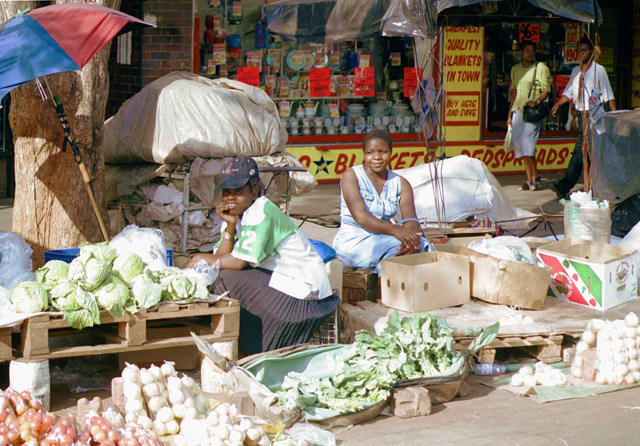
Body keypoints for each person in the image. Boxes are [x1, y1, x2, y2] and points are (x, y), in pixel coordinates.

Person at [187, 156, 340, 355]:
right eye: (227, 193)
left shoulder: (262, 211)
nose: (231, 198)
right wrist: (230, 227)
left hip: (305, 296)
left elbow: (238, 262)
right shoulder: (236, 215)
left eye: (239, 192)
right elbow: (222, 256)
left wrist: (198, 258)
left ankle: (251, 346)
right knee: (218, 273)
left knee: (226, 278)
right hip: (280, 281)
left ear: (254, 191)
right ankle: (233, 342)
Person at [333, 129, 432, 276]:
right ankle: (384, 294)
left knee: (423, 246)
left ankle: (410, 292)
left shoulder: (400, 182)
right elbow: (361, 217)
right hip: (354, 243)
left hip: (384, 239)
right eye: (370, 153)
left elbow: (411, 219)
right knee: (397, 249)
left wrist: (412, 239)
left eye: (382, 152)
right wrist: (397, 231)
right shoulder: (351, 176)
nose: (376, 157)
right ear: (364, 154)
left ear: (391, 152)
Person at [550, 36, 616, 200]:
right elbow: (568, 93)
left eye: (584, 50)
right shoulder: (575, 71)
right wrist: (558, 105)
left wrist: (615, 117)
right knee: (585, 151)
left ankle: (569, 185)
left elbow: (608, 95)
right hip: (582, 116)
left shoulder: (598, 70)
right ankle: (582, 186)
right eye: (579, 50)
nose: (581, 53)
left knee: (590, 151)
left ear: (592, 51)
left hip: (595, 115)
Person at [507, 40, 551, 191]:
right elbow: (513, 93)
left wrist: (536, 102)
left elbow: (546, 90)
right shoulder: (515, 69)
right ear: (521, 53)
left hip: (532, 113)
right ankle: (532, 176)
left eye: (532, 50)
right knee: (521, 147)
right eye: (527, 50)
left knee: (528, 145)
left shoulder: (541, 68)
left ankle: (532, 180)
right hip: (518, 111)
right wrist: (509, 115)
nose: (530, 53)